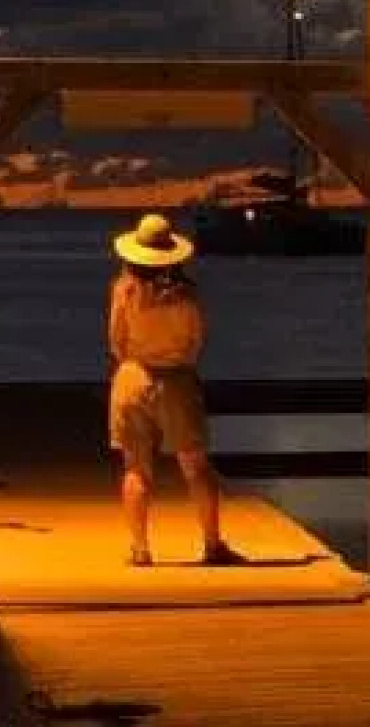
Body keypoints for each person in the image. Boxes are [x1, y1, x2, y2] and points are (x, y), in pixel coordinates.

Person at [108, 213, 244, 567]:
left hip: (132, 376)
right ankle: (212, 544)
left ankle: (140, 548)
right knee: (195, 465)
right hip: (176, 377)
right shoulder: (187, 296)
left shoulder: (124, 291)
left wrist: (136, 360)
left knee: (135, 467)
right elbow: (197, 341)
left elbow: (116, 341)